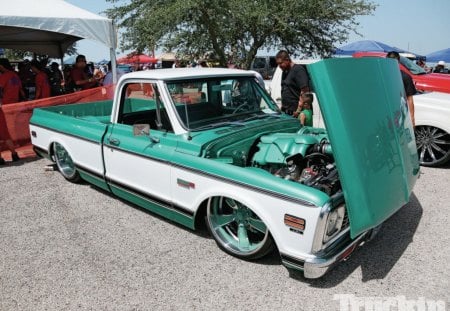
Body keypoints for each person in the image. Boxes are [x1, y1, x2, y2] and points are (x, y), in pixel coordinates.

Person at [0, 58, 23, 164]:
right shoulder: (15, 75)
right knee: (8, 131)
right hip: (15, 105)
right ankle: (14, 153)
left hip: (6, 106)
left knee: (5, 131)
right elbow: (21, 90)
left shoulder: (4, 76)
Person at [275, 50, 310, 115]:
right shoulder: (284, 72)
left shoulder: (298, 70)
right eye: (278, 64)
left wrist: (298, 110)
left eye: (280, 63)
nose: (279, 66)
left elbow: (305, 91)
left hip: (297, 112)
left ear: (287, 60)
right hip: (286, 111)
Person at [386, 51, 416, 126]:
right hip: (389, 111)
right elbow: (410, 99)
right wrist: (412, 119)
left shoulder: (405, 77)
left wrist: (412, 118)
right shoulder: (382, 75)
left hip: (396, 112)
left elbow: (409, 99)